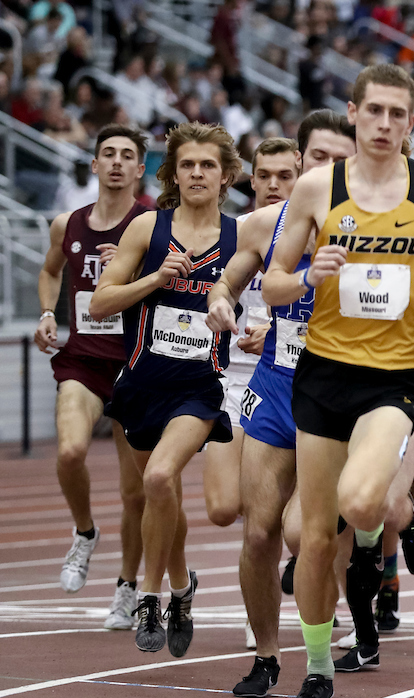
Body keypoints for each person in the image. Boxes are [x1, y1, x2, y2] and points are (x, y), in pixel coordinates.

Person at [261, 64, 414, 698]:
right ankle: (318, 670)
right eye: (376, 112)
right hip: (324, 370)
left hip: (397, 374)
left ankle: (372, 539)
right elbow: (273, 285)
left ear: (412, 124)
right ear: (354, 113)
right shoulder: (315, 189)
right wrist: (306, 275)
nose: (386, 124)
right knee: (308, 536)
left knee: (361, 500)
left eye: (399, 114)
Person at [206, 111, 356, 696]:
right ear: (302, 162)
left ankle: (364, 536)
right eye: (317, 158)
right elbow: (232, 280)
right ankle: (266, 654)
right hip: (274, 384)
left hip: (341, 392)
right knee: (258, 533)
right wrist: (220, 301)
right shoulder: (268, 224)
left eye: (337, 161)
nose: (326, 170)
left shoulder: (386, 229)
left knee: (304, 532)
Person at [90, 121, 242, 656]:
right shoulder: (148, 229)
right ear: (172, 173)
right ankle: (184, 586)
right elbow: (99, 304)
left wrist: (248, 326)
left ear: (225, 175)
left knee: (159, 476)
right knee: (163, 494)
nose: (196, 173)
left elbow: (263, 296)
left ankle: (149, 597)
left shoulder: (237, 235)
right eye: (187, 164)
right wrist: (155, 280)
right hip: (141, 383)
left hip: (199, 386)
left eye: (207, 165)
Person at [38, 126, 150, 630]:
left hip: (133, 362)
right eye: (108, 154)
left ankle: (126, 586)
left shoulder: (150, 224)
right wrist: (46, 313)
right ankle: (84, 532)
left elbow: (178, 281)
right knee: (69, 451)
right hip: (83, 359)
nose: (118, 163)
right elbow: (50, 270)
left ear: (140, 168)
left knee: (136, 492)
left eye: (128, 156)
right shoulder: (68, 223)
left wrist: (130, 269)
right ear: (94, 165)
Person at [203, 137, 300, 531]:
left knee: (276, 520)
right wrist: (218, 305)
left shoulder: (316, 233)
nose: (274, 183)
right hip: (236, 378)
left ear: (302, 179)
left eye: (285, 175)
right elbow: (217, 290)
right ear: (252, 182)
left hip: (291, 376)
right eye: (264, 175)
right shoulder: (237, 232)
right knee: (224, 508)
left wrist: (274, 331)